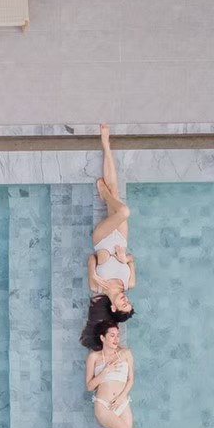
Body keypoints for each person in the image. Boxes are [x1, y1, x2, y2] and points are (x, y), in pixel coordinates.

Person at [87, 123, 134, 314]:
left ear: (113, 308)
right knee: (115, 192)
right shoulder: (129, 283)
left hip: (102, 239)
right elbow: (131, 259)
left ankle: (105, 195)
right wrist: (124, 258)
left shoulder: (96, 287)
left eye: (123, 304)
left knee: (124, 211)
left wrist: (92, 273)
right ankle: (105, 144)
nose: (125, 300)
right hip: (121, 239)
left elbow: (91, 258)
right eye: (128, 302)